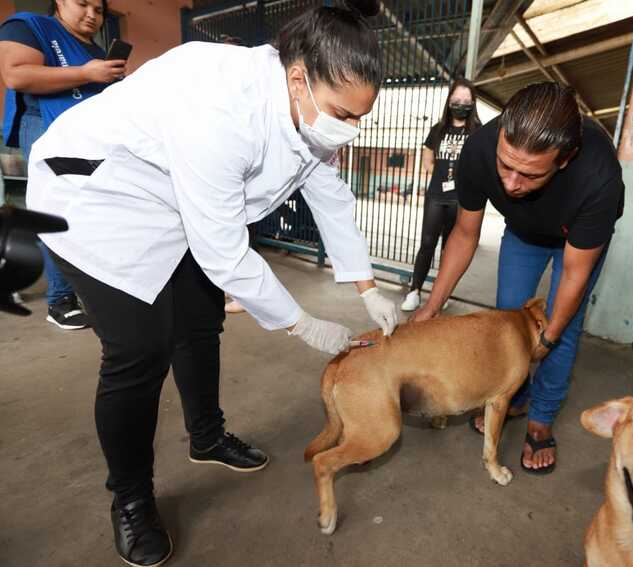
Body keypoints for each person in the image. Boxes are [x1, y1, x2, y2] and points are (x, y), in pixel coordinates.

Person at [26, 1, 397, 565]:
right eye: (342, 113)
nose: (348, 128)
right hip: (97, 200)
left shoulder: (304, 100)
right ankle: (130, 498)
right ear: (298, 77)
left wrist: (368, 290)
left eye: (358, 117)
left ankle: (207, 435)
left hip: (174, 203)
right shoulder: (221, 104)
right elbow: (224, 251)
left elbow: (329, 192)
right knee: (139, 350)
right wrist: (302, 323)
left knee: (200, 322)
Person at [411, 82, 624, 476]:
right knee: (506, 323)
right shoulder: (478, 150)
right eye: (505, 165)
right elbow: (464, 234)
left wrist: (546, 338)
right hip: (523, 233)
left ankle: (541, 418)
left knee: (562, 329)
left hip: (574, 242)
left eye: (529, 174)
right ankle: (516, 395)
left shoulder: (598, 174)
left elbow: (576, 272)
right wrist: (431, 305)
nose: (510, 184)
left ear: (565, 159)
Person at [0, 0, 126, 330]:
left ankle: (83, 290)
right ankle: (59, 301)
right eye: (82, 4)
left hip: (87, 136)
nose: (91, 15)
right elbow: (15, 75)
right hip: (46, 124)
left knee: (90, 213)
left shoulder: (96, 50)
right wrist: (88, 73)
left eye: (98, 10)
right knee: (61, 213)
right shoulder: (28, 25)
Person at [401, 78, 480, 311]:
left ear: (473, 103)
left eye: (467, 100)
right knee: (427, 243)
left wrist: (463, 182)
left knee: (450, 248)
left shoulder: (477, 131)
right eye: (457, 99)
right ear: (449, 101)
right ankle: (414, 290)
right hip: (436, 195)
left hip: (461, 200)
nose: (461, 104)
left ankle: (440, 295)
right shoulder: (438, 129)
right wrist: (441, 176)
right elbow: (427, 158)